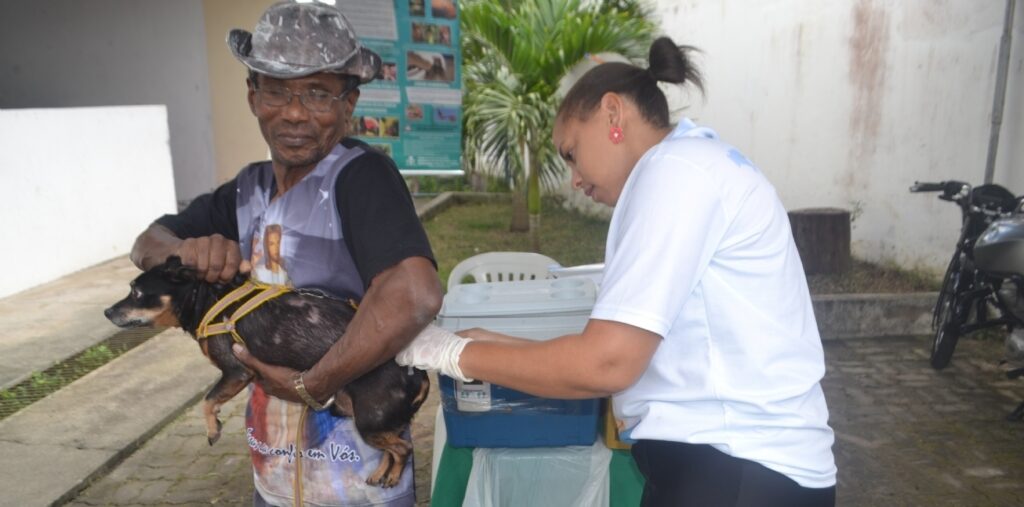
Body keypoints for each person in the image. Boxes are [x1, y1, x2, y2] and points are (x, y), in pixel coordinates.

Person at [398, 37, 837, 507]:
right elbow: (631, 351)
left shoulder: (675, 173)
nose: (575, 179)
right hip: (741, 465)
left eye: (571, 153)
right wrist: (490, 343)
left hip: (737, 467)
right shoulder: (695, 166)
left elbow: (606, 362)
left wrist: (453, 353)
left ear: (612, 115)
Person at [129, 2, 441, 506]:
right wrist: (186, 250)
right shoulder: (245, 190)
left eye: (318, 93)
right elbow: (147, 243)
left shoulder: (362, 179)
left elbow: (415, 294)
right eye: (277, 90)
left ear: (349, 103)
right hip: (272, 478)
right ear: (253, 96)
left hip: (356, 489)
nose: (295, 112)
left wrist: (312, 382)